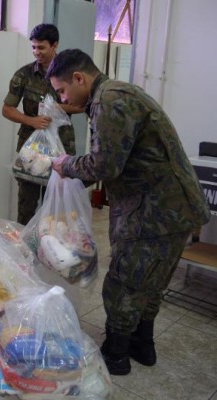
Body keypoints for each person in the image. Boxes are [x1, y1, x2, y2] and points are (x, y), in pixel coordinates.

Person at [46, 48, 210, 375]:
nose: (63, 97)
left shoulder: (109, 102)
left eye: (62, 90)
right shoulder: (118, 93)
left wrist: (65, 164)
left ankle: (116, 355)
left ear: (79, 78)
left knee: (123, 282)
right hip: (173, 208)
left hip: (154, 211)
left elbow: (105, 164)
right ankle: (142, 345)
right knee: (151, 281)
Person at [2, 23, 84, 225]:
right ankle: (23, 251)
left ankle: (49, 249)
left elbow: (81, 105)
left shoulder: (70, 75)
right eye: (33, 47)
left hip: (60, 147)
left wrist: (54, 108)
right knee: (27, 204)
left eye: (41, 47)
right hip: (31, 147)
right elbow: (7, 109)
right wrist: (30, 120)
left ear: (55, 45)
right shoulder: (24, 75)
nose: (36, 52)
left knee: (55, 205)